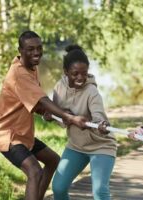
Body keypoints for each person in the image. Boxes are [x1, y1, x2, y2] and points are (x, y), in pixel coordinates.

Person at [0, 31, 87, 200]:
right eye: (30, 49)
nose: (36, 52)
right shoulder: (19, 73)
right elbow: (42, 98)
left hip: (23, 133)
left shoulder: (32, 68)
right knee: (34, 171)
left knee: (53, 161)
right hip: (7, 134)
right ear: (20, 50)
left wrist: (47, 112)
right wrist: (68, 116)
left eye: (39, 48)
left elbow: (34, 102)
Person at [48, 45, 117, 200]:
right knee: (58, 188)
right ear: (66, 72)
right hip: (76, 146)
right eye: (75, 73)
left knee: (100, 191)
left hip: (101, 146)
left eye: (84, 73)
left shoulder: (92, 91)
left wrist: (102, 125)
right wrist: (52, 116)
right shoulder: (59, 87)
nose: (80, 77)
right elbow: (60, 118)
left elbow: (99, 115)